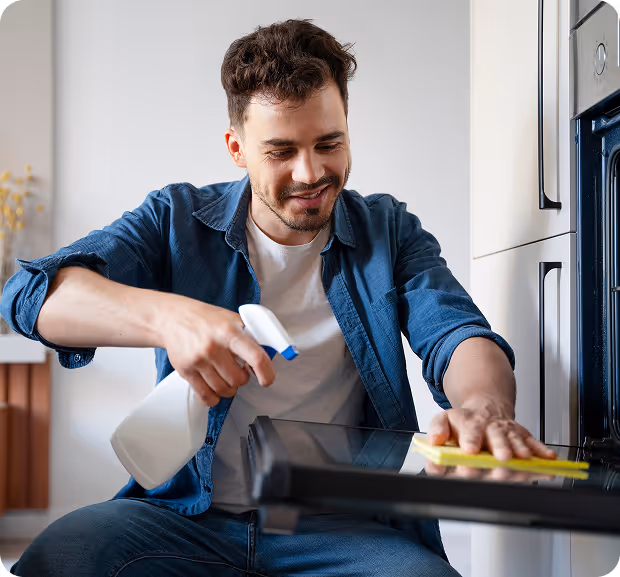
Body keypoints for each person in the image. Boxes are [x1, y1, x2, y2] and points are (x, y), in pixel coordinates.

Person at [0, 18, 556, 577]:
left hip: (341, 526)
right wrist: (168, 318)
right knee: (58, 560)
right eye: (282, 150)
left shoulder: (389, 231)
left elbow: (456, 333)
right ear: (237, 148)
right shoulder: (175, 219)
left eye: (328, 143)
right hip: (187, 519)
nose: (310, 173)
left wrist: (485, 406)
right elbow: (29, 295)